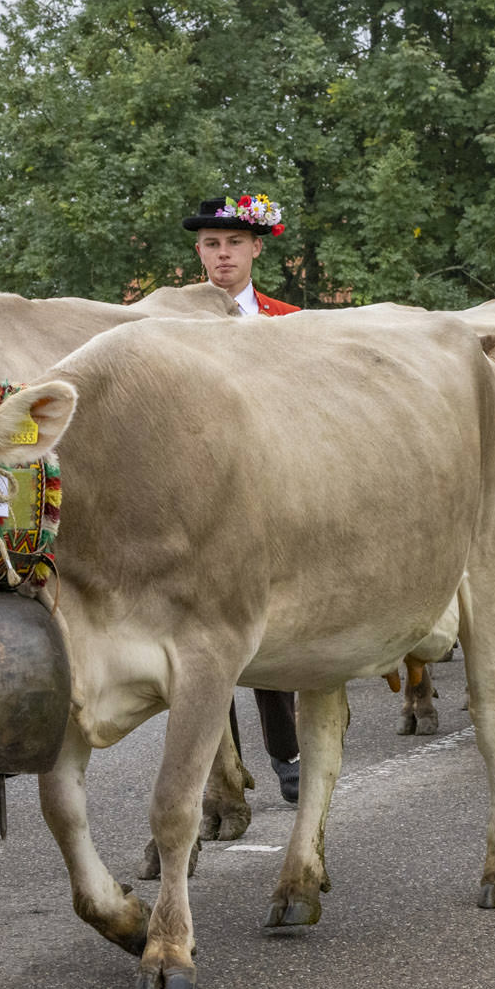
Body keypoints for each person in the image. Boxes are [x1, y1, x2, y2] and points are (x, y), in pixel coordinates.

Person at [181, 195, 305, 800]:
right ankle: (219, 768)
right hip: (194, 493)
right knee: (199, 636)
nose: (222, 254)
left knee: (266, 621)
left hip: (267, 486)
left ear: (257, 247)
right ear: (199, 252)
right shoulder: (169, 321)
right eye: (212, 244)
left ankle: (287, 753)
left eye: (233, 242)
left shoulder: (290, 321)